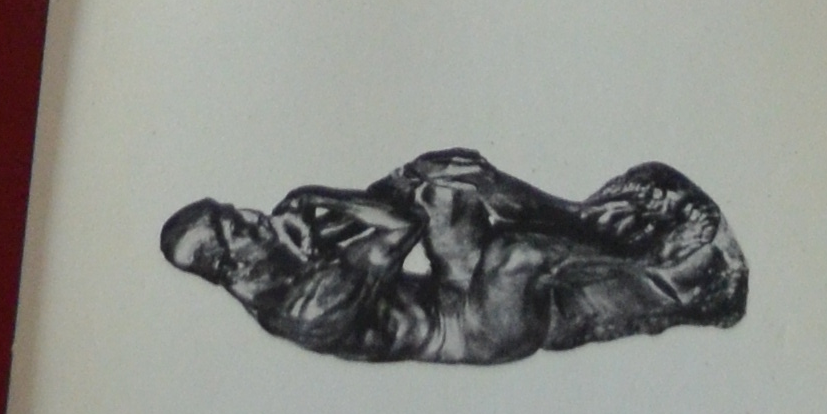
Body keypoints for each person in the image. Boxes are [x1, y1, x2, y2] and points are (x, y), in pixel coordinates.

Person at [162, 148, 745, 365]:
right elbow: (398, 227)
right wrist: (320, 199)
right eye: (235, 227)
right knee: (514, 254)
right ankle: (679, 283)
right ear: (231, 265)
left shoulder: (276, 247)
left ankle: (588, 219)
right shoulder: (306, 308)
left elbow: (399, 206)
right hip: (470, 329)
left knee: (446, 180)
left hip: (451, 289)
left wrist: (409, 177)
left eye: (233, 211)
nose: (249, 216)